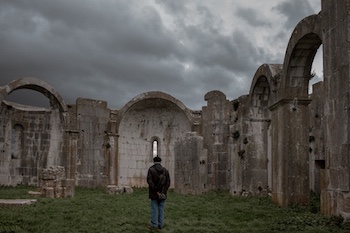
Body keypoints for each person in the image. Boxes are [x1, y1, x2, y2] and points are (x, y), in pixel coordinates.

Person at [147, 156, 170, 230]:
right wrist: (163, 192)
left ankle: (154, 225)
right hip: (163, 194)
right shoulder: (165, 170)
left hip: (154, 193)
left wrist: (156, 191)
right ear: (160, 162)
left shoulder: (151, 170)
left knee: (154, 208)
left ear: (154, 161)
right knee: (161, 209)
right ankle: (161, 225)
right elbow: (168, 182)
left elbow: (150, 181)